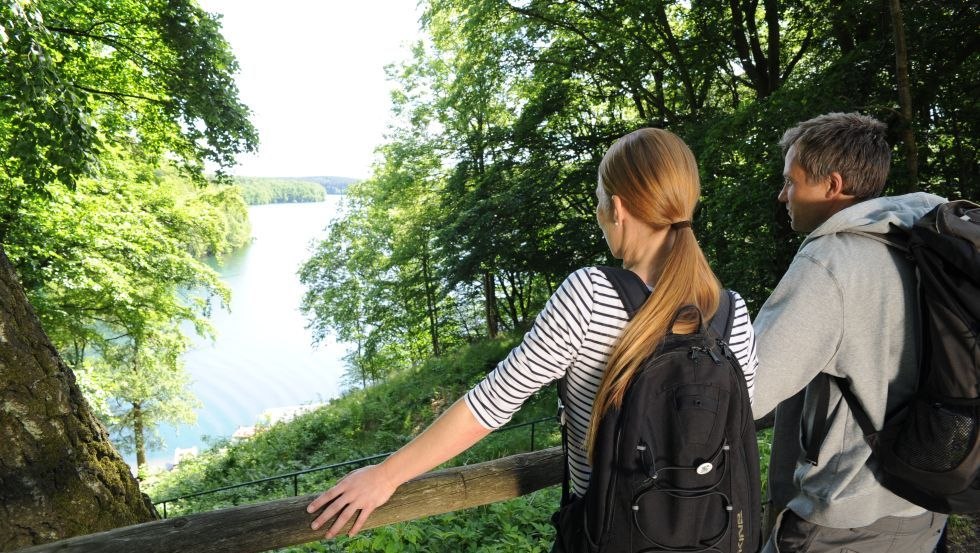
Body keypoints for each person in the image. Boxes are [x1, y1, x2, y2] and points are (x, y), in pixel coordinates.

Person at [306, 128, 759, 545]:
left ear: (617, 208)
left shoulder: (592, 295)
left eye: (600, 200)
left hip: (610, 535)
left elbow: (491, 403)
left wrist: (385, 476)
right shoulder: (731, 311)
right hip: (708, 536)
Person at [751, 112, 948, 552]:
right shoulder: (924, 244)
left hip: (848, 521)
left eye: (791, 181)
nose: (783, 195)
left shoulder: (830, 263)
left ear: (833, 185)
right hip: (924, 506)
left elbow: (749, 388)